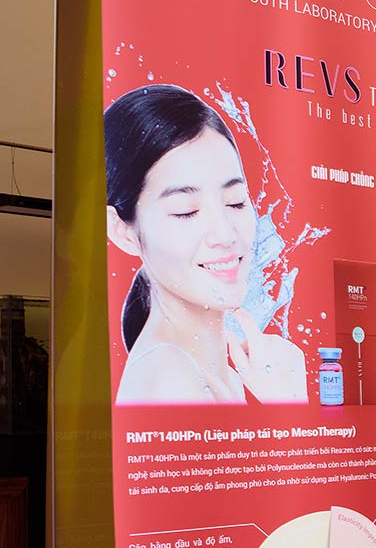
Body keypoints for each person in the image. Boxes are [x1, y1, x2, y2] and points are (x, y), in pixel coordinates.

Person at [106, 84, 307, 405]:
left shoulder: (220, 374)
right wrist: (289, 402)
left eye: (235, 202)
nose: (225, 234)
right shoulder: (169, 381)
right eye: (186, 211)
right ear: (122, 231)